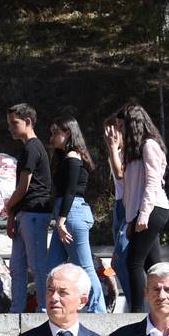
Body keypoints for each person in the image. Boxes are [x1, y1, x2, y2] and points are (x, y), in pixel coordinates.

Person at [106, 102, 169, 307]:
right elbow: (127, 186)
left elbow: (152, 182)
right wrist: (131, 219)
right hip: (140, 212)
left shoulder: (149, 145)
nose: (120, 131)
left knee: (133, 262)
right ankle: (163, 306)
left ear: (132, 124)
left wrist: (142, 215)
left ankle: (137, 311)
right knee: (154, 266)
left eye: (122, 126)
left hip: (152, 210)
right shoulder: (132, 151)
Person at [45, 115, 106, 313]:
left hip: (72, 214)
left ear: (68, 133)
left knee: (85, 267)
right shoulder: (66, 157)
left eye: (55, 133)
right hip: (66, 214)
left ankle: (99, 311)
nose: (52, 138)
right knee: (52, 266)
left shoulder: (73, 157)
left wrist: (61, 221)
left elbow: (70, 191)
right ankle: (46, 309)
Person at [5, 104, 54, 313]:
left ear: (28, 122)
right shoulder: (28, 148)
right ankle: (16, 309)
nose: (10, 128)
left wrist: (9, 205)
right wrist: (12, 214)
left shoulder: (32, 148)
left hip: (34, 213)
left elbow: (23, 186)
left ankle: (43, 309)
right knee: (17, 266)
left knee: (37, 265)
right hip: (24, 213)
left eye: (14, 123)